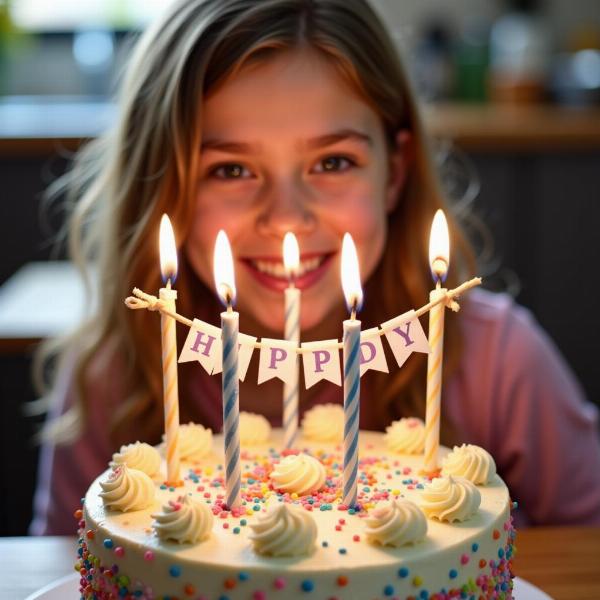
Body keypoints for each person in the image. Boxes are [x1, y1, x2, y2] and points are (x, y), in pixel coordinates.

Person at [30, 0, 600, 536]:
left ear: (394, 172)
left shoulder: (497, 361)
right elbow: (63, 558)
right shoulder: (113, 371)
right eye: (230, 169)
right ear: (163, 189)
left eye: (333, 161)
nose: (286, 220)